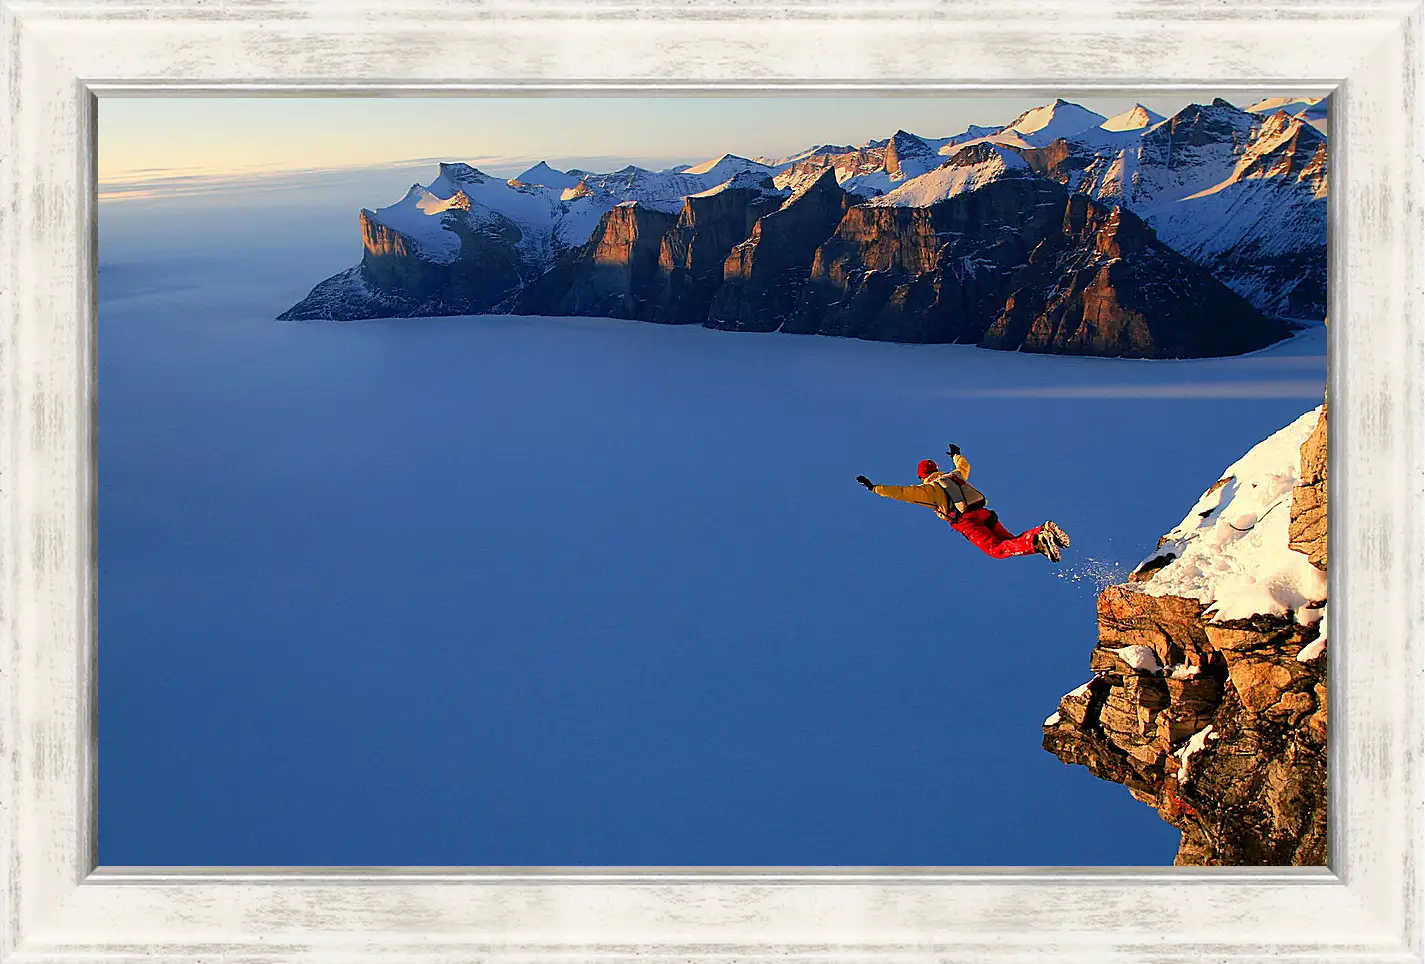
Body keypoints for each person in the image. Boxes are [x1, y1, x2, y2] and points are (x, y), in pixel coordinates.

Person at [855, 444, 1070, 562]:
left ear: (922, 476)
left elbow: (903, 493)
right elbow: (964, 467)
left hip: (967, 522)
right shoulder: (953, 476)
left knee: (997, 550)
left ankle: (1039, 539)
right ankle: (1039, 534)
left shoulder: (928, 490)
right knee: (1010, 541)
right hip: (985, 514)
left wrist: (875, 488)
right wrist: (957, 455)